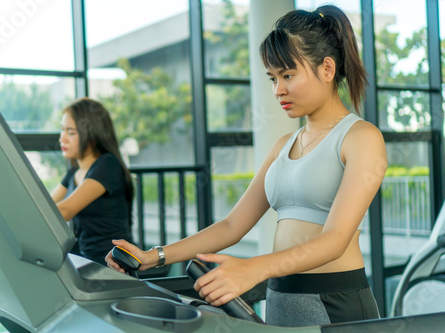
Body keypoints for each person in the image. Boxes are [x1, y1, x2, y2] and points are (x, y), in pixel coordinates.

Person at [106, 5, 387, 327]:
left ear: (326, 68)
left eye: (288, 75)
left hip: (336, 301)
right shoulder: (285, 144)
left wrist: (256, 267)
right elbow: (232, 226)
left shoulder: (362, 137)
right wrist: (154, 257)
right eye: (273, 77)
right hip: (281, 296)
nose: (278, 89)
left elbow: (336, 239)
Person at [51, 97, 134, 266]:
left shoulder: (107, 165)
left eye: (71, 133)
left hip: (113, 265)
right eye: (62, 130)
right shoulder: (74, 172)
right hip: (85, 262)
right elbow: (47, 205)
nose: (62, 139)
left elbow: (65, 209)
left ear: (92, 136)